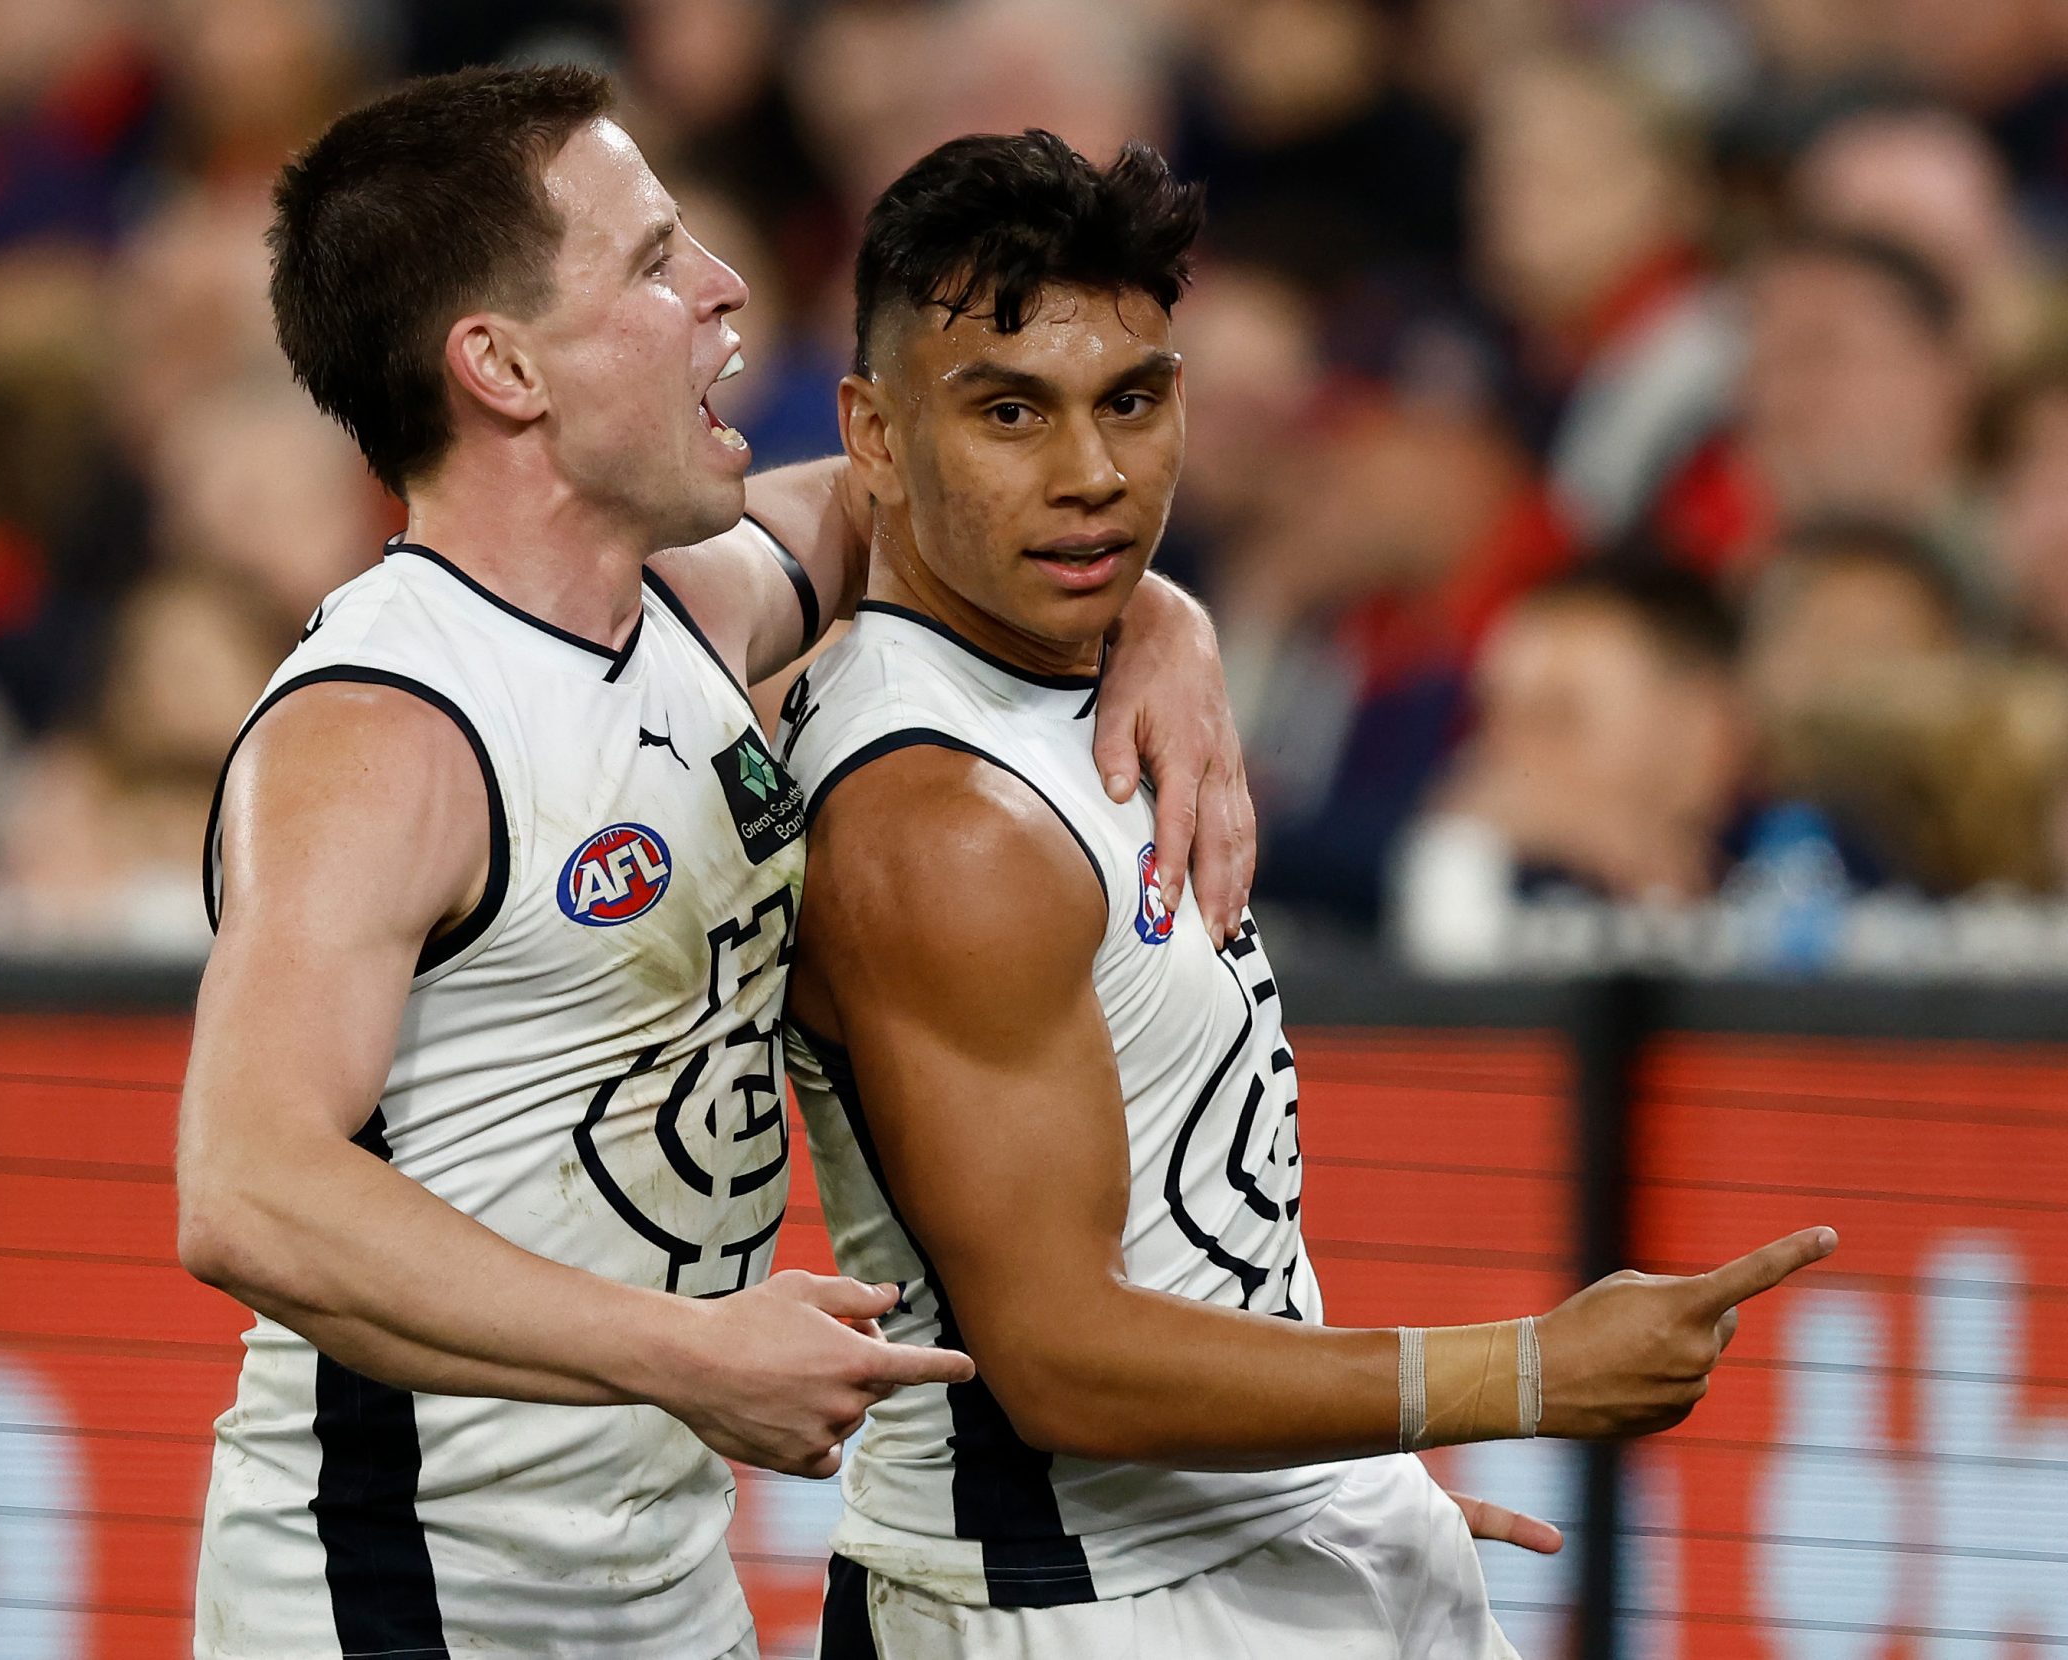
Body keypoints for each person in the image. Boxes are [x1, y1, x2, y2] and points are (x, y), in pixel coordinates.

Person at [175, 68, 1255, 1660]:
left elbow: (955, 508)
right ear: (502, 365)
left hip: (658, 1592)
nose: (722, 289)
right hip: (397, 1600)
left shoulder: (691, 601)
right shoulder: (384, 727)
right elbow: (248, 1191)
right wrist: (678, 1350)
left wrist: (1163, 616)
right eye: (653, 259)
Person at [780, 130, 1836, 1658]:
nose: (1089, 474)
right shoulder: (941, 820)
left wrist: (1318, 1487)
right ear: (872, 440)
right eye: (1008, 412)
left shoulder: (1088, 673)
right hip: (1077, 1608)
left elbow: (1175, 1236)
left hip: (1241, 1551)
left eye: (1131, 402)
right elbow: (1061, 1360)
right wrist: (1523, 1376)